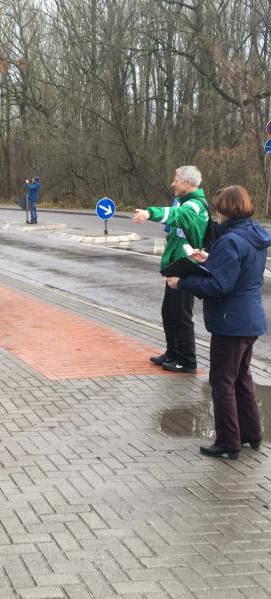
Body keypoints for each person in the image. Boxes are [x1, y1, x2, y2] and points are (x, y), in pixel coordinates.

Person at [166, 186, 270, 459]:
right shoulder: (254, 235)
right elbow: (238, 270)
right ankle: (251, 434)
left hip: (230, 322)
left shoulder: (230, 240)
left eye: (219, 208)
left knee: (222, 381)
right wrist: (210, 259)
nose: (216, 213)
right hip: (249, 319)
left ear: (227, 209)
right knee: (242, 378)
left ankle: (228, 441)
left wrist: (183, 282)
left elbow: (220, 285)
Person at [134, 165, 210, 373]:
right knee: (169, 312)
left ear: (187, 183)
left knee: (181, 315)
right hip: (176, 266)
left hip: (187, 267)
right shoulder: (186, 202)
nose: (172, 184)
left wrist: (149, 212)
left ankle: (188, 361)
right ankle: (173, 353)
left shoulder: (194, 206)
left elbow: (176, 215)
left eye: (176, 180)